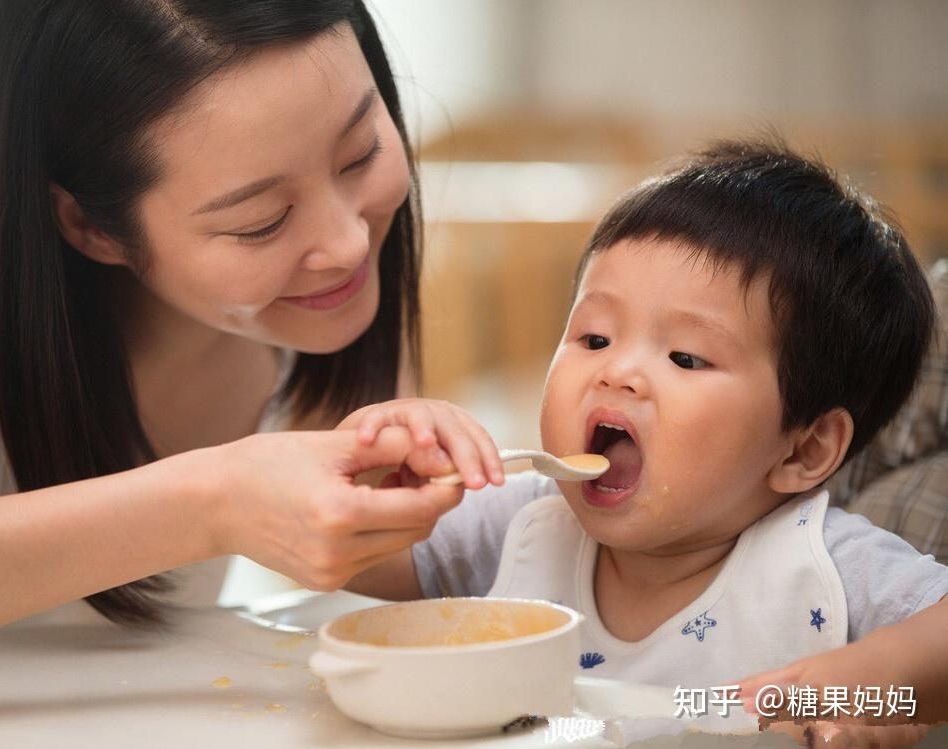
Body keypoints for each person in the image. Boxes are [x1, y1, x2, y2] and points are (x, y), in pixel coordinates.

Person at [0, 1, 485, 669]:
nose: (346, 242)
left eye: (360, 152)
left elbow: (392, 565)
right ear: (90, 226)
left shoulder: (317, 293)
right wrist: (210, 504)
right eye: (261, 221)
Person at [340, 139, 948, 732]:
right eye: (595, 338)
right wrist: (372, 476)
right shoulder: (523, 525)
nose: (618, 372)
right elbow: (354, 562)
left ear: (804, 448)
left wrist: (866, 678)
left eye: (685, 357)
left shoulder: (822, 569)